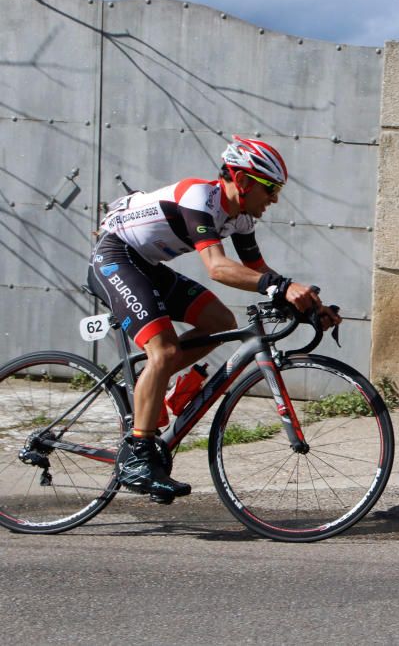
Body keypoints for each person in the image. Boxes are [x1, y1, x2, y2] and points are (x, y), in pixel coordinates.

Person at [88, 136, 340, 503]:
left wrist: (309, 305)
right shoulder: (198, 198)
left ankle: (151, 383)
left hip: (146, 266)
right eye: (271, 189)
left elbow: (258, 272)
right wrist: (282, 287)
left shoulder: (239, 220)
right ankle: (137, 455)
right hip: (115, 258)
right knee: (162, 350)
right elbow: (218, 269)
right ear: (243, 181)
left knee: (220, 320)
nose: (274, 199)